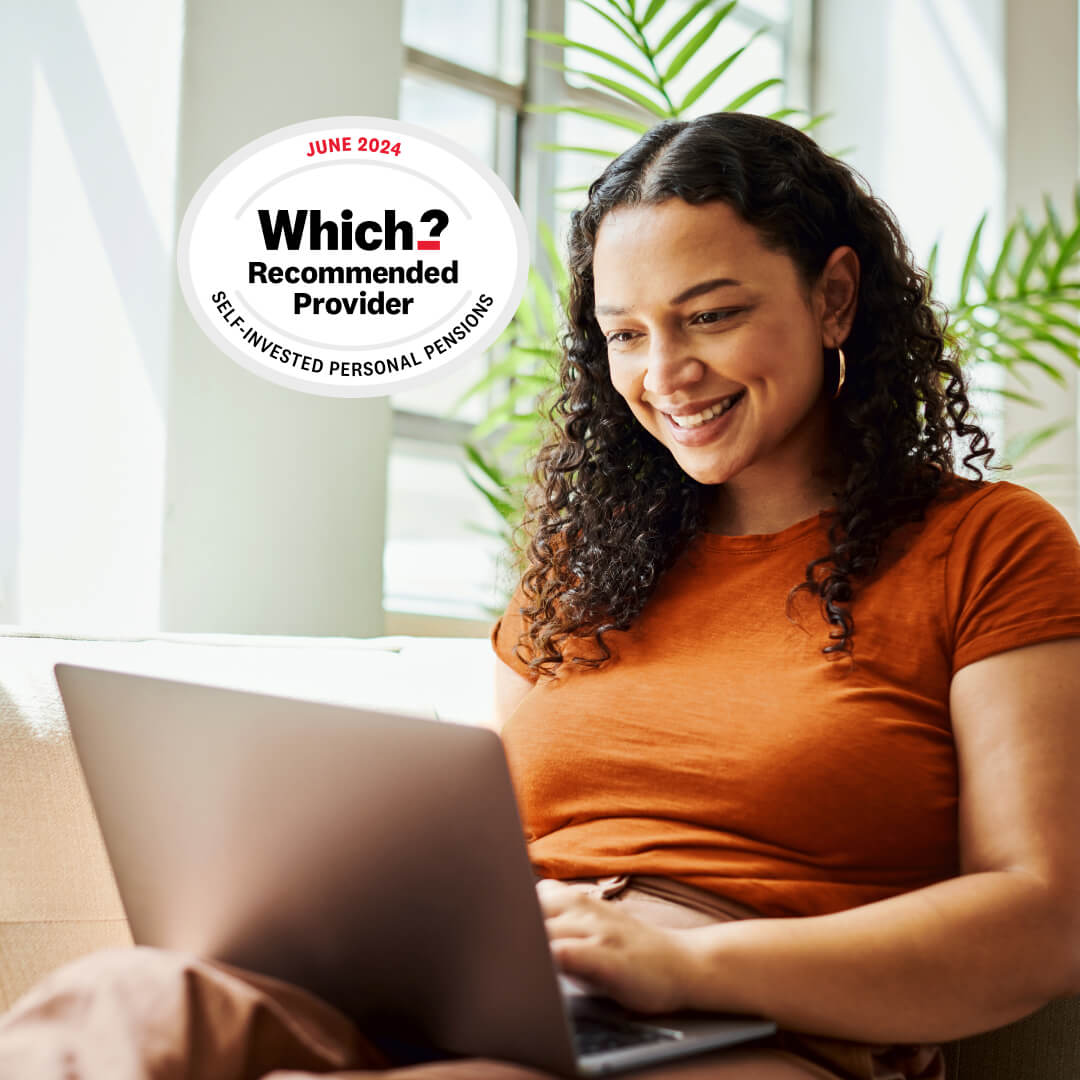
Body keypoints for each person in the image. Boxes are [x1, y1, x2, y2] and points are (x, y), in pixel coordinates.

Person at [2, 112, 1079, 1080]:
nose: (666, 371)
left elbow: (1042, 919)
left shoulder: (987, 547)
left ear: (834, 296)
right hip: (526, 988)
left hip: (759, 1031)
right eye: (627, 333)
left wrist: (685, 963)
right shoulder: (584, 571)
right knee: (123, 1001)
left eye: (711, 315)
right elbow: (488, 839)